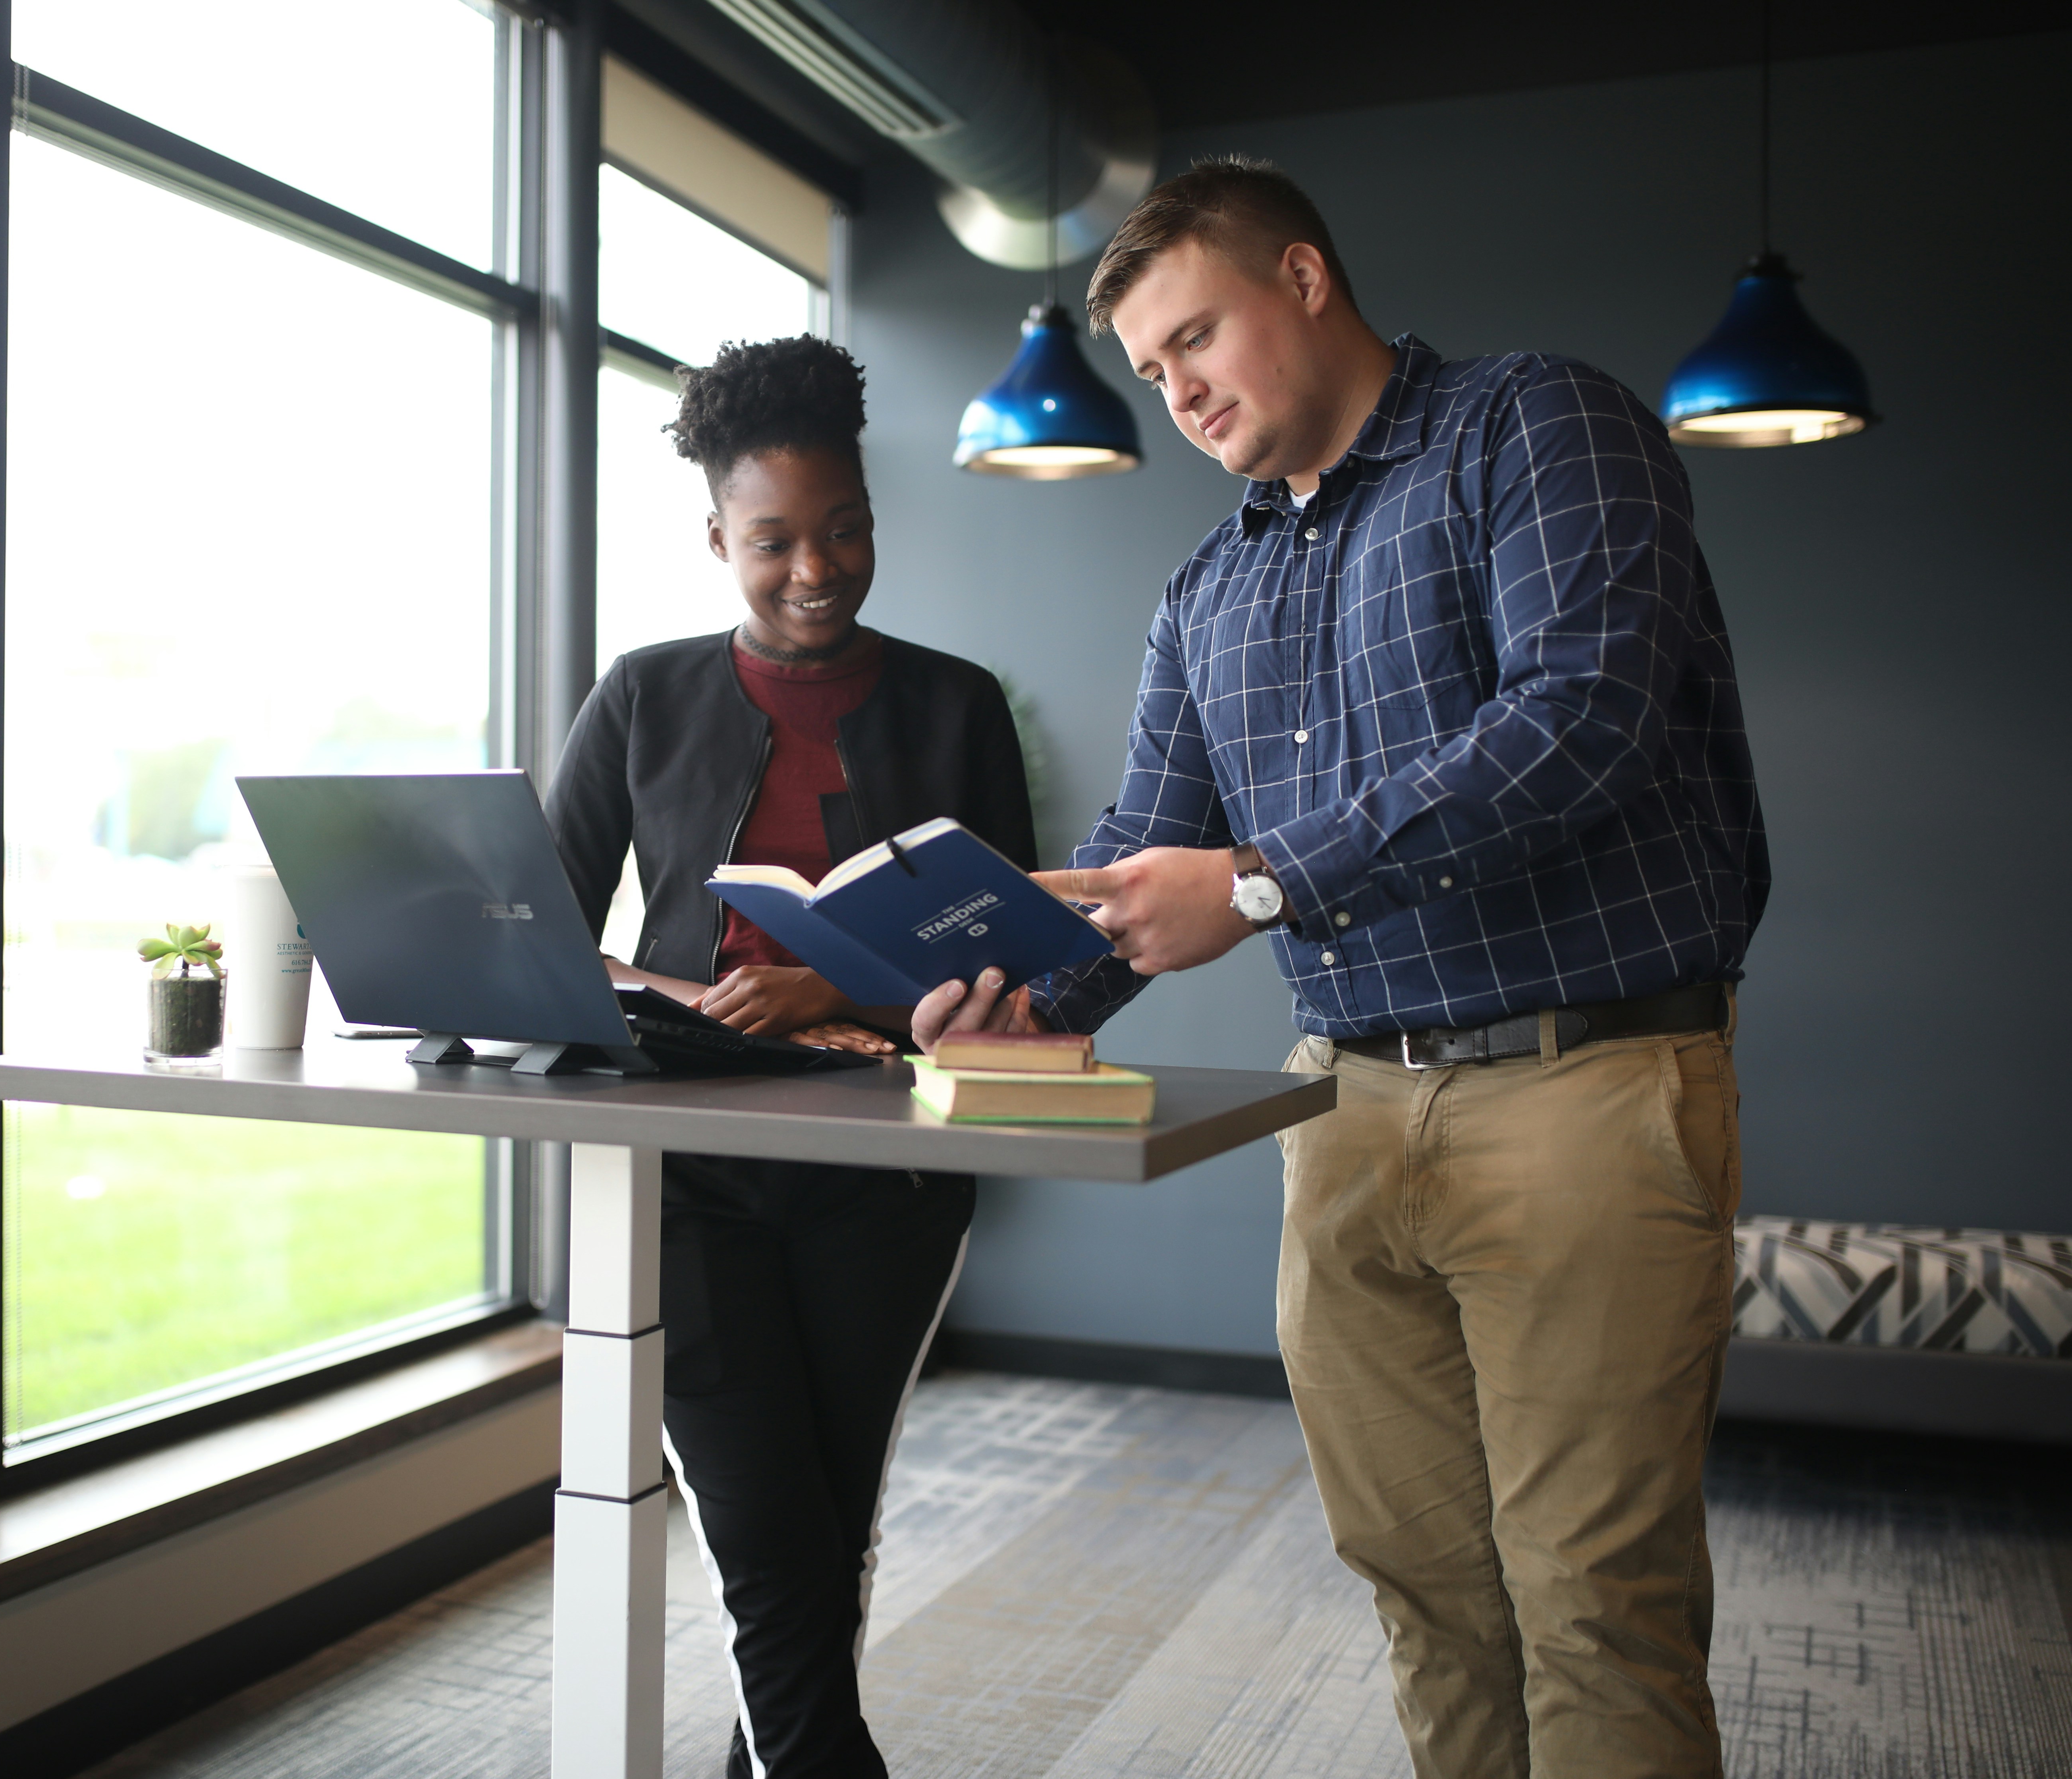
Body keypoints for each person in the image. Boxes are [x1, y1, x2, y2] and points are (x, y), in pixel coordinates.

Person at [918, 158, 1767, 1777]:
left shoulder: (1535, 427)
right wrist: (1008, 991)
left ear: (1304, 278)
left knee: (1597, 1604)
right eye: (1155, 375)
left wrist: (1256, 880)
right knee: (1425, 1589)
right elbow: (1144, 854)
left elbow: (1581, 717)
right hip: (1347, 1117)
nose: (1179, 393)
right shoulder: (1207, 590)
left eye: (1198, 339)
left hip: (1589, 1087)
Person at [544, 335, 1037, 1779]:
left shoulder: (959, 705)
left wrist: (836, 978)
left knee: (827, 1515)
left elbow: (1022, 956)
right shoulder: (642, 694)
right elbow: (557, 934)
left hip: (889, 1176)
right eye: (773, 542)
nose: (814, 567)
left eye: (846, 531)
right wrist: (682, 991)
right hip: (683, 1174)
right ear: (717, 540)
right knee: (765, 1529)